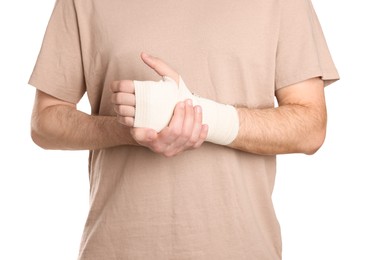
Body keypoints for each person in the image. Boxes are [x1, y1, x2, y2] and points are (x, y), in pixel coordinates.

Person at [29, 0, 339, 259]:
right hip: (117, 249)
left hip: (242, 249)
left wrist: (203, 117)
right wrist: (129, 129)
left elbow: (310, 128)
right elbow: (45, 122)